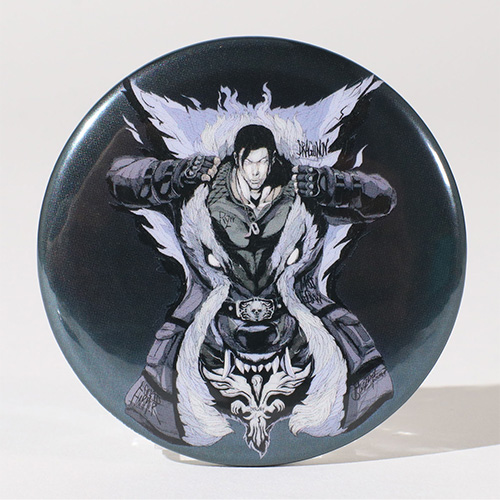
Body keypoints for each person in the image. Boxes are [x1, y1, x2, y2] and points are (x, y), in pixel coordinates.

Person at [106, 124, 397, 454]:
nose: (257, 171)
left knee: (353, 364)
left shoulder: (298, 188)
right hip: (216, 310)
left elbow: (383, 198)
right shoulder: (204, 189)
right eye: (250, 163)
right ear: (237, 159)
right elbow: (117, 179)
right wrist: (175, 175)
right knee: (168, 372)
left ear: (272, 159)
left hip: (292, 312)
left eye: (263, 162)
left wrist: (331, 186)